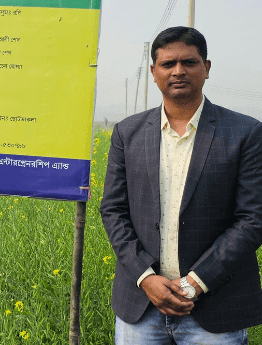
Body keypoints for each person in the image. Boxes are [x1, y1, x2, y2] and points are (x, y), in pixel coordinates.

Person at [100, 26, 262, 343]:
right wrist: (146, 278)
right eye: (168, 64)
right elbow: (113, 211)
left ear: (206, 68)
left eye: (189, 62)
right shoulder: (127, 133)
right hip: (141, 305)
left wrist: (196, 282)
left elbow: (253, 218)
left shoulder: (245, 133)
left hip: (216, 306)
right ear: (154, 72)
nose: (178, 71)